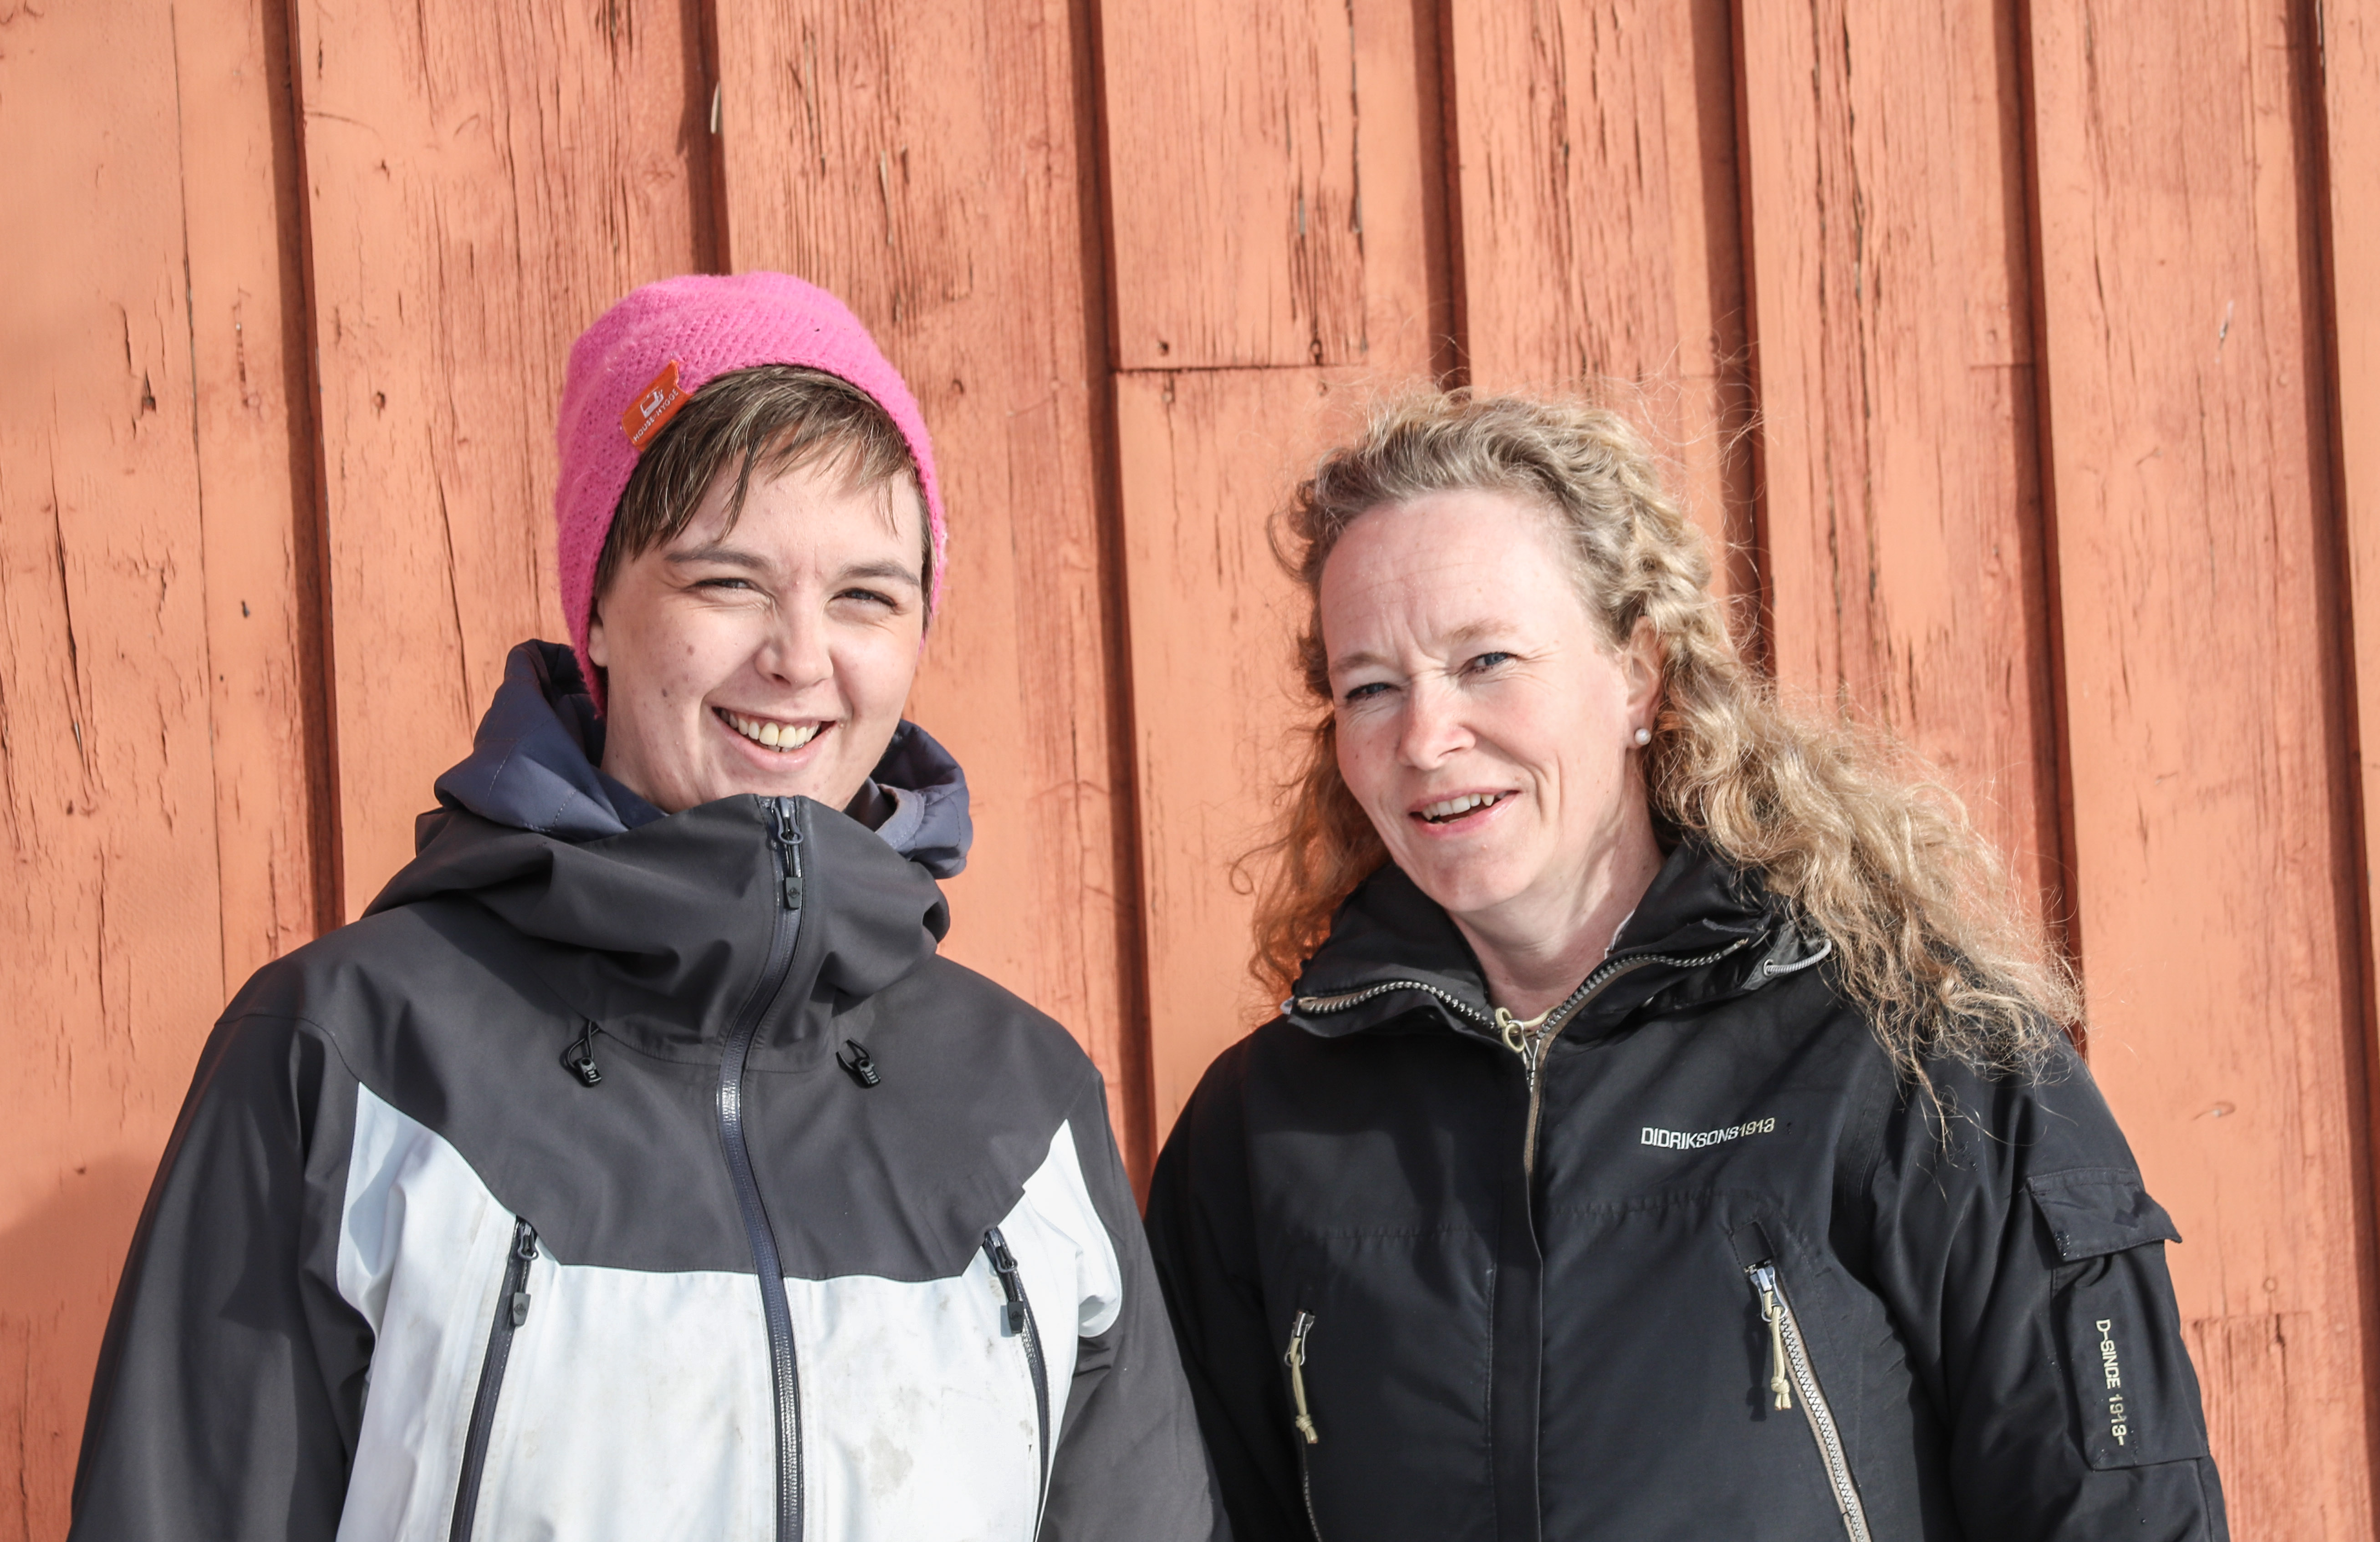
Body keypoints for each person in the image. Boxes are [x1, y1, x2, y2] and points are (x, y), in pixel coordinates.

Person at [70, 272, 1221, 1542]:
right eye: (727, 582)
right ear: (601, 610)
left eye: (866, 595)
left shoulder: (1022, 1102)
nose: (797, 654)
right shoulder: (356, 1052)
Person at [1144, 390, 2226, 1541]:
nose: (1424, 737)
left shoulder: (1916, 1061)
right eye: (1371, 686)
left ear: (1638, 675)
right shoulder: (1260, 1133)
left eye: (1487, 660)